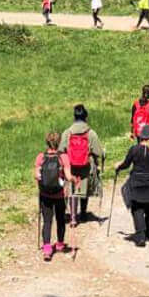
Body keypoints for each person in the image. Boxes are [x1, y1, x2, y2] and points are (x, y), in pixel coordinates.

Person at [115, 125, 149, 247]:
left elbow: (126, 164)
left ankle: (140, 236)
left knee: (137, 208)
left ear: (141, 138)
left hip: (137, 184)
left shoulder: (134, 149)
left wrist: (118, 166)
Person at [34, 131, 75, 261]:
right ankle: (60, 244)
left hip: (45, 194)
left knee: (47, 221)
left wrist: (41, 186)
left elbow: (37, 175)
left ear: (47, 142)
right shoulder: (63, 157)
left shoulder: (40, 157)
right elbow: (68, 177)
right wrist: (74, 179)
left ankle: (47, 248)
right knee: (60, 219)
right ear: (59, 142)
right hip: (59, 194)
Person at [61, 104, 105, 222]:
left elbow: (61, 149)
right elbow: (98, 151)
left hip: (71, 166)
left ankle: (73, 217)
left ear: (74, 117)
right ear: (85, 116)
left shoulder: (67, 132)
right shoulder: (91, 133)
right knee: (84, 189)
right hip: (86, 166)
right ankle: (84, 213)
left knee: (72, 190)